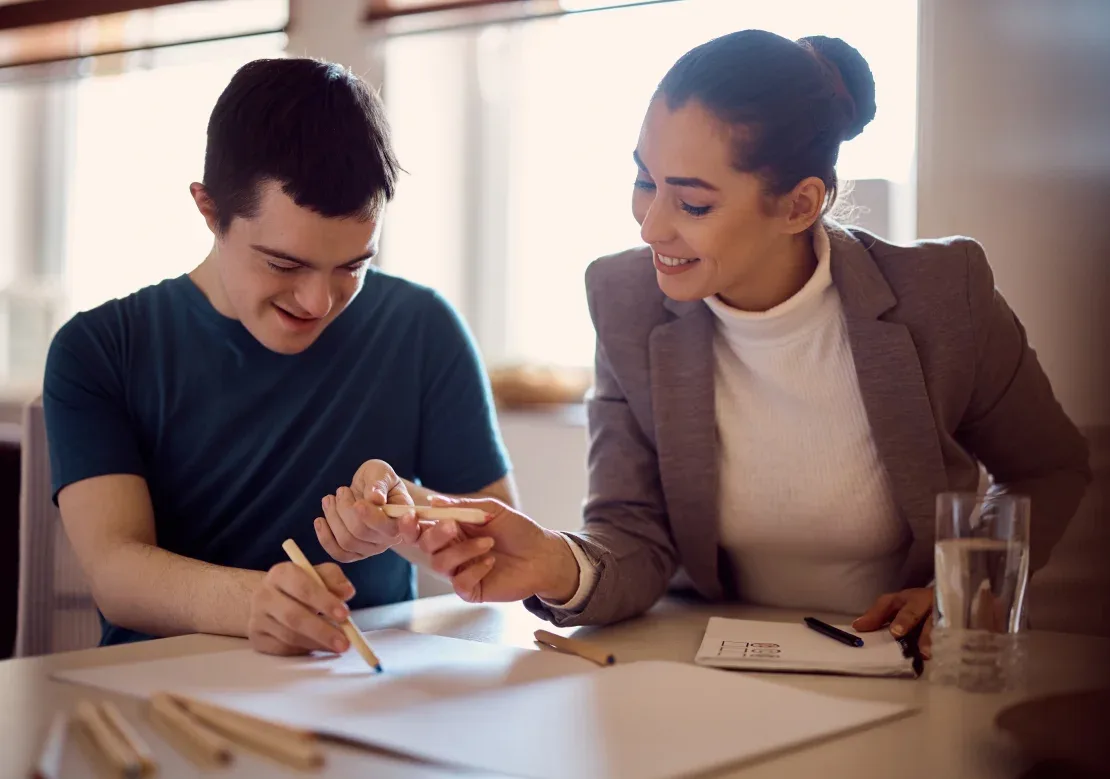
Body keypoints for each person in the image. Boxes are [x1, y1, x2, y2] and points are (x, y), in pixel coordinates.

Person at [372, 30, 1092, 654]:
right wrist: (558, 562)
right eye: (642, 179)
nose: (651, 225)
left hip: (900, 667)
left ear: (800, 204)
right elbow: (633, 532)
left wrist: (958, 590)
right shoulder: (624, 300)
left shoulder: (944, 295)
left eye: (692, 201)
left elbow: (1049, 467)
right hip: (709, 670)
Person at [44, 58, 515, 655]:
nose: (319, 302)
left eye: (352, 266)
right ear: (209, 211)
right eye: (284, 265)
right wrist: (254, 602)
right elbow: (116, 574)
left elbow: (496, 533)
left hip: (365, 692)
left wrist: (408, 521)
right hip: (164, 694)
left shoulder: (421, 328)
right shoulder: (101, 349)